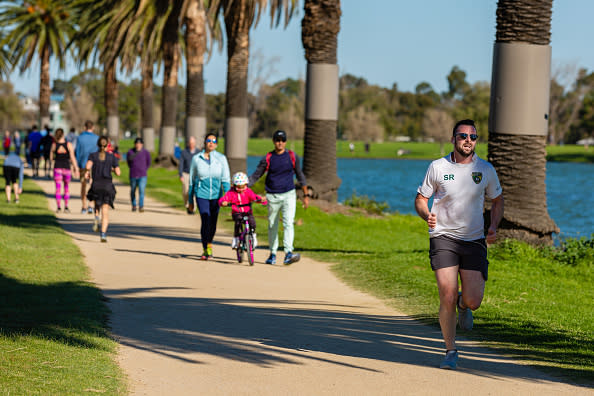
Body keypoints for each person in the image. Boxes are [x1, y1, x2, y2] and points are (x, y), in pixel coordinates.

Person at [414, 119, 504, 370]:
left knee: (473, 300)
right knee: (447, 293)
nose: (468, 140)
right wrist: (426, 214)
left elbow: (497, 200)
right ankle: (450, 350)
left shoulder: (485, 170)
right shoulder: (438, 167)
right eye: (462, 136)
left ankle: (465, 305)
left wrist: (493, 226)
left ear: (476, 141)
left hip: (474, 239)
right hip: (443, 237)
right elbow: (421, 198)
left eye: (472, 137)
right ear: (453, 139)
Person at [248, 130, 309, 265]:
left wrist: (305, 195)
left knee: (288, 223)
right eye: (277, 140)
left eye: (282, 140)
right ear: (273, 141)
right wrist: (244, 186)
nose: (280, 142)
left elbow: (300, 175)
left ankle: (288, 253)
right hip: (272, 195)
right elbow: (257, 175)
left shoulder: (292, 156)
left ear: (285, 142)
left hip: (289, 194)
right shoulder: (268, 158)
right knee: (272, 225)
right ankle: (273, 254)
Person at [188, 132, 230, 260]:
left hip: (217, 196)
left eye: (213, 141)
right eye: (209, 140)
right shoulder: (196, 159)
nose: (211, 143)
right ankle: (206, 248)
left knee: (213, 223)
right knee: (205, 220)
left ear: (216, 144)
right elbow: (191, 180)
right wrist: (190, 200)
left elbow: (226, 180)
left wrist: (227, 197)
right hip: (201, 194)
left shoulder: (222, 159)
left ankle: (210, 243)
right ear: (205, 143)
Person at [219, 172, 267, 250]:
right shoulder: (231, 193)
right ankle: (236, 239)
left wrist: (261, 200)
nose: (241, 189)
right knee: (238, 223)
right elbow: (224, 199)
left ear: (246, 185)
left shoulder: (248, 191)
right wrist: (223, 202)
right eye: (238, 187)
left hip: (247, 212)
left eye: (243, 187)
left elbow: (254, 197)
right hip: (236, 212)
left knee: (252, 223)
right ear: (234, 186)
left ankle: (253, 236)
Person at [86, 135, 121, 242]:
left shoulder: (93, 155)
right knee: (105, 211)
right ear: (107, 145)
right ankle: (103, 234)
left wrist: (88, 173)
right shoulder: (112, 157)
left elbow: (88, 167)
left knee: (97, 202)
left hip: (96, 185)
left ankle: (96, 217)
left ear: (98, 144)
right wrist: (112, 170)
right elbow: (119, 173)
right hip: (107, 186)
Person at [50, 128, 79, 213]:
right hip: (66, 168)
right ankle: (66, 207)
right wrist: (75, 168)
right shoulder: (68, 144)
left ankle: (58, 207)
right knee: (66, 188)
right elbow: (72, 157)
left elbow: (51, 158)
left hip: (57, 168)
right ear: (63, 134)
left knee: (58, 189)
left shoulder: (54, 145)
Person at [75, 120, 99, 214]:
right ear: (92, 128)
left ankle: (84, 206)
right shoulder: (97, 138)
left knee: (83, 185)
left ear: (85, 127)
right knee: (93, 185)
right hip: (94, 165)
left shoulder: (80, 138)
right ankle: (91, 205)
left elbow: (77, 152)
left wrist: (76, 165)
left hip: (82, 164)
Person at [127, 137, 151, 212]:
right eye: (137, 143)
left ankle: (141, 206)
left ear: (142, 144)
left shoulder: (146, 152)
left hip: (143, 175)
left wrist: (144, 169)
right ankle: (134, 205)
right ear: (134, 144)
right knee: (133, 190)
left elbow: (148, 162)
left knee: (141, 190)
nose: (138, 145)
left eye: (140, 143)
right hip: (133, 175)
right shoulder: (130, 152)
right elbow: (128, 162)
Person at [178, 136, 199, 214]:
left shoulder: (198, 152)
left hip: (195, 174)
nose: (191, 144)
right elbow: (181, 164)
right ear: (188, 143)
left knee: (194, 192)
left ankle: (192, 208)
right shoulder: (184, 152)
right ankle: (187, 205)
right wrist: (180, 175)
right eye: (190, 143)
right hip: (186, 174)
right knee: (186, 191)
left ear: (195, 143)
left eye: (193, 143)